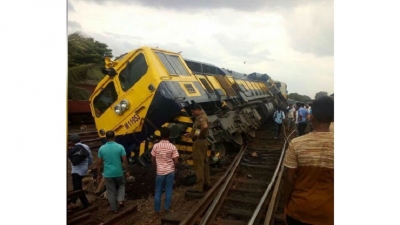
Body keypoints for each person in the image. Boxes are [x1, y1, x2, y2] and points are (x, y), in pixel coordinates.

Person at [282, 96, 334, 225]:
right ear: (333, 119)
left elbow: (289, 180)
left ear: (311, 117)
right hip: (329, 214)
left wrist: (286, 205)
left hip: (298, 211)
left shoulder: (296, 144)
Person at [97, 130, 130, 214]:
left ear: (106, 138)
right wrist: (127, 171)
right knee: (121, 185)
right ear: (114, 137)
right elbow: (125, 160)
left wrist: (98, 174)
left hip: (107, 174)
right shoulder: (120, 147)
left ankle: (114, 209)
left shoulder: (101, 148)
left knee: (111, 191)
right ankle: (120, 200)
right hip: (119, 172)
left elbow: (99, 163)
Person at [151, 127, 179, 217]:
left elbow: (152, 159)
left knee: (158, 191)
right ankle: (166, 208)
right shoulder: (172, 146)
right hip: (170, 171)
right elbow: (176, 160)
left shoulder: (156, 146)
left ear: (160, 135)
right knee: (168, 190)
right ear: (169, 135)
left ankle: (157, 210)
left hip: (160, 172)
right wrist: (175, 167)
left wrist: (156, 167)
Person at [184, 103, 211, 193]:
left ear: (197, 110)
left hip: (199, 143)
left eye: (193, 112)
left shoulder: (201, 117)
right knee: (204, 162)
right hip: (203, 141)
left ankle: (199, 187)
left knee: (198, 164)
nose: (192, 114)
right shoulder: (203, 115)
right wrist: (191, 134)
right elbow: (201, 128)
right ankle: (207, 183)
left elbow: (204, 127)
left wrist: (198, 135)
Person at [68, 134, 92, 211]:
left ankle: (73, 203)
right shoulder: (86, 147)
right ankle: (85, 203)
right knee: (78, 187)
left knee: (77, 189)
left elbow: (71, 161)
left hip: (76, 171)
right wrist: (87, 165)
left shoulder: (72, 149)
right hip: (84, 170)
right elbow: (90, 158)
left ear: (72, 142)